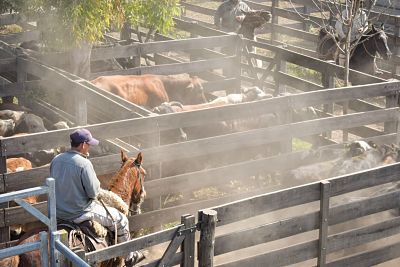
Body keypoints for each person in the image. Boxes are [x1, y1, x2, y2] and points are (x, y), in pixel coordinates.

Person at [50, 128, 145, 267]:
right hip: (79, 212)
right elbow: (93, 193)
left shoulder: (56, 160)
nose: (90, 147)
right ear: (82, 145)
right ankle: (130, 257)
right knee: (122, 220)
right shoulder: (84, 163)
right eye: (89, 144)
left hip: (57, 213)